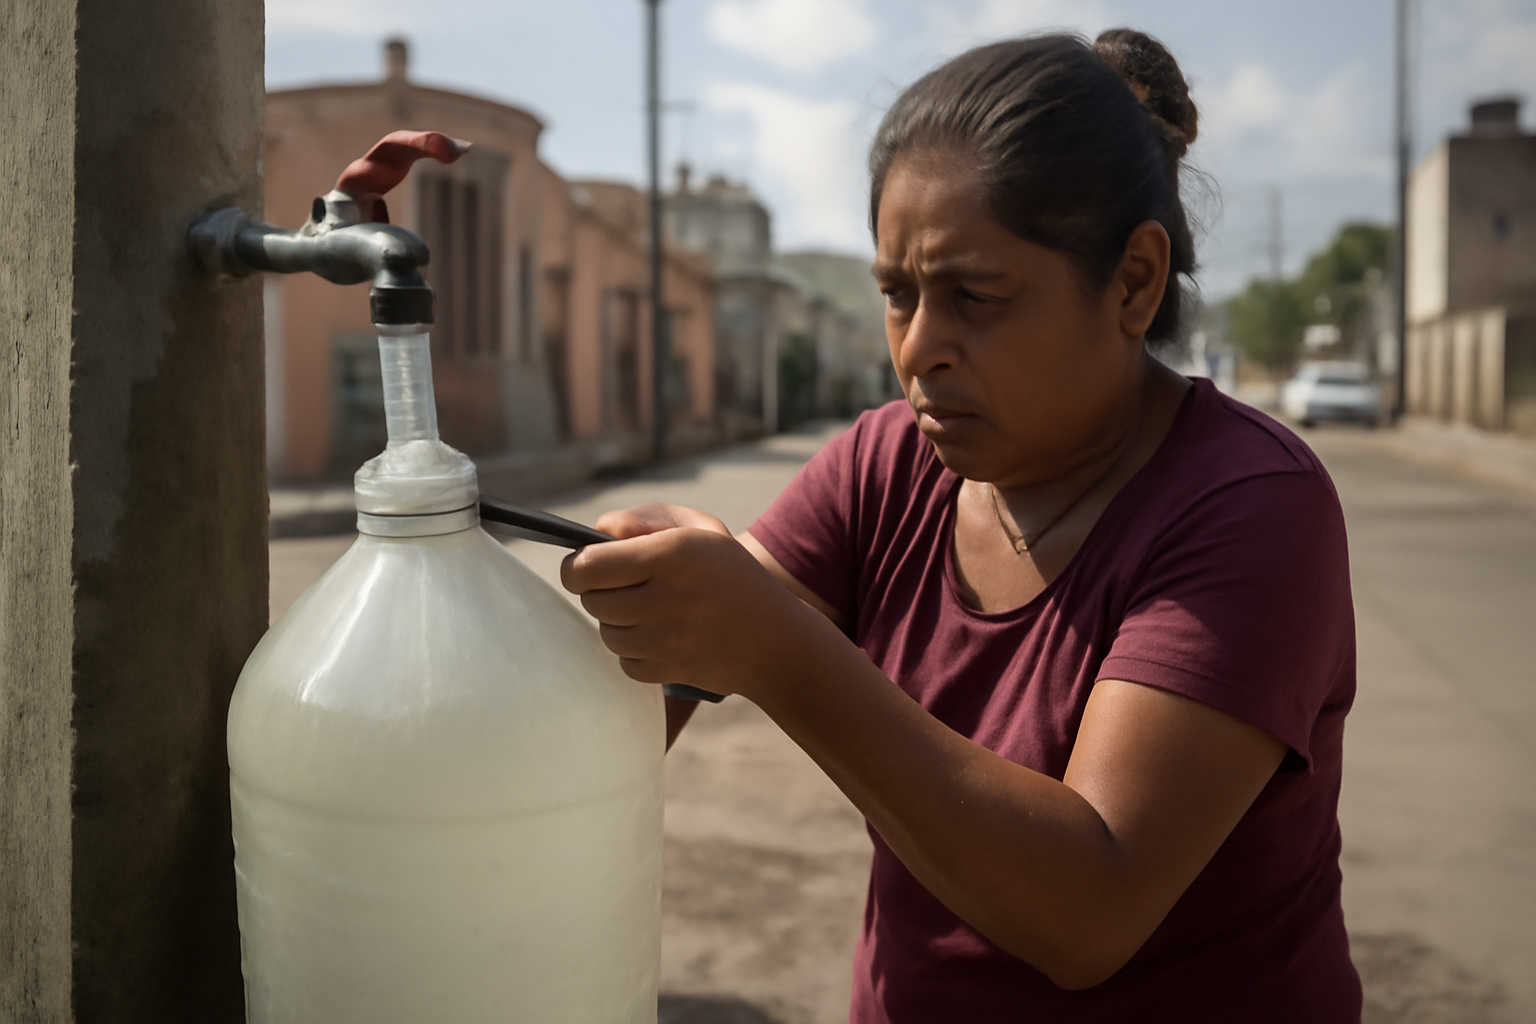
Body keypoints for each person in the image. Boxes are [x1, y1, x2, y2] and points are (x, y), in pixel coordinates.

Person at [561, 28, 1362, 1022]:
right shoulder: (888, 464)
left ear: (1132, 282)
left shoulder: (1250, 505)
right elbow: (638, 701)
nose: (919, 349)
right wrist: (660, 606)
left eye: (974, 296)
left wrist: (779, 651)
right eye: (897, 295)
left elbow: (1089, 907)